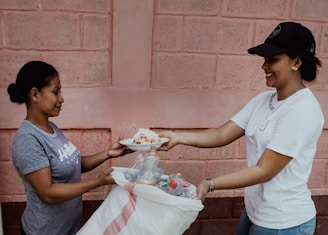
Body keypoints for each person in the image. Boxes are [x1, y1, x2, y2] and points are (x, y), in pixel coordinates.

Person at [159, 22, 324, 235]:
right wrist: (177, 137)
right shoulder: (264, 100)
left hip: (283, 222)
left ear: (297, 62)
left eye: (272, 60)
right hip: (256, 211)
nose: (264, 66)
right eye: (264, 59)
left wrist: (210, 184)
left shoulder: (302, 110)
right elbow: (221, 134)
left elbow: (264, 170)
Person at [7, 61, 131, 235]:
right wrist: (97, 182)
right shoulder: (27, 140)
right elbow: (48, 193)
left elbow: (72, 164)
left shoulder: (52, 128)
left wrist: (109, 153)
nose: (61, 99)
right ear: (35, 94)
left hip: (67, 229)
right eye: (55, 92)